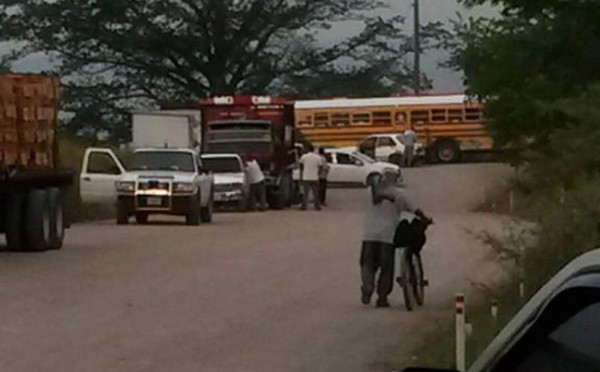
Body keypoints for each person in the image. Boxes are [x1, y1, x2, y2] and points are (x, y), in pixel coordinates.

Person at [360, 170, 429, 308]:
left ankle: (367, 287)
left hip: (369, 235)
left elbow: (372, 188)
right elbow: (415, 210)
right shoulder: (399, 195)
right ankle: (382, 297)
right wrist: (425, 219)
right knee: (386, 268)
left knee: (367, 264)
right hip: (388, 236)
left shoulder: (368, 193)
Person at [298, 144, 322, 211]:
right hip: (315, 177)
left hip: (306, 177)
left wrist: (302, 173)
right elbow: (320, 167)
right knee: (316, 193)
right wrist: (318, 174)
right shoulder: (317, 157)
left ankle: (304, 206)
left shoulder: (304, 157)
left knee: (305, 193)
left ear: (307, 149)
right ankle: (317, 206)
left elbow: (301, 165)